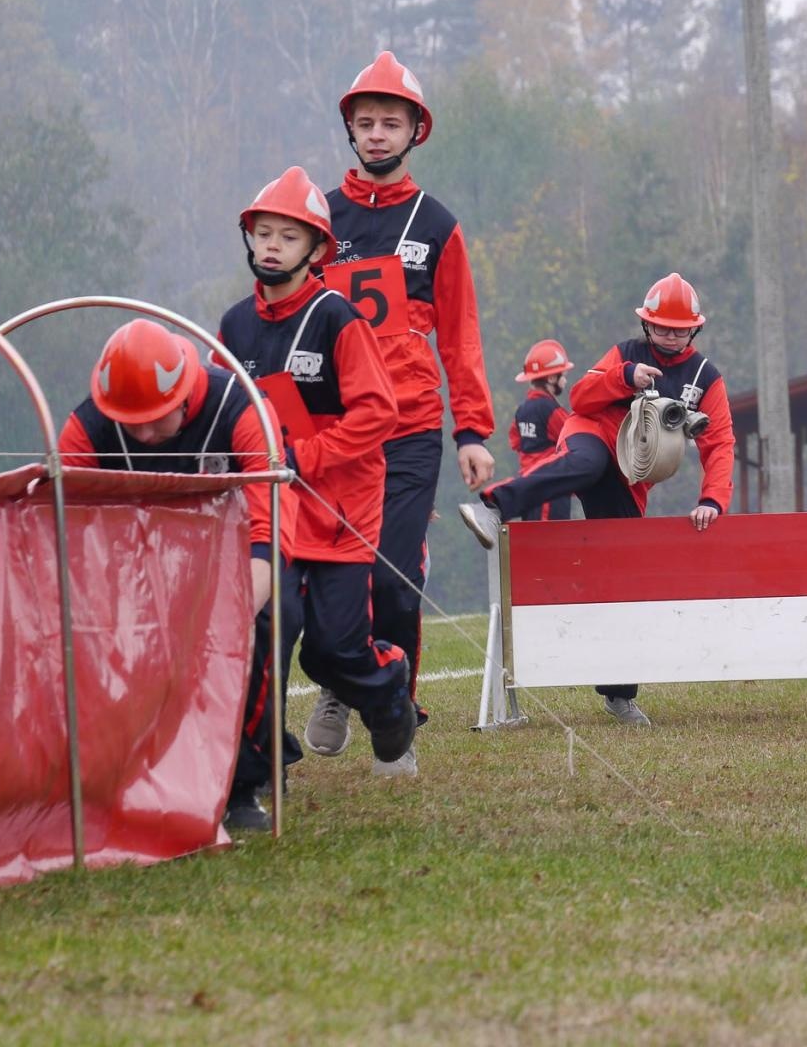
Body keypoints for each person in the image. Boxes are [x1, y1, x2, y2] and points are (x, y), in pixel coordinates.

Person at [314, 50, 497, 774]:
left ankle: (395, 714)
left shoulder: (439, 225)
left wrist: (473, 431)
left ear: (416, 130)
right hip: (331, 433)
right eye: (367, 123)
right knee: (334, 577)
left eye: (392, 122)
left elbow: (461, 334)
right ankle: (338, 682)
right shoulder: (317, 219)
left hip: (412, 429)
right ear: (351, 131)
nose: (379, 134)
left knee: (391, 577)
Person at [58, 319, 301, 833]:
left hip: (236, 563)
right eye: (130, 424)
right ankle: (122, 772)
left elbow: (272, 522)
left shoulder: (240, 406)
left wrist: (233, 611)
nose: (143, 435)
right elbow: (64, 532)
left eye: (155, 420)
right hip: (136, 570)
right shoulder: (87, 427)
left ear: (185, 392)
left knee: (268, 626)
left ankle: (243, 784)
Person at [460, 272, 736, 724]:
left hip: (630, 477)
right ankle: (493, 506)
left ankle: (618, 694)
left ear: (695, 329)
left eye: (679, 327)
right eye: (661, 325)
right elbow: (582, 397)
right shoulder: (626, 353)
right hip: (592, 437)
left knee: (625, 571)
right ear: (646, 325)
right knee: (584, 465)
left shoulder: (706, 377)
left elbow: (720, 442)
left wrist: (712, 499)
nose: (669, 334)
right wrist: (625, 376)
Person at [218, 165, 416, 781]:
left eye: (287, 237)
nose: (271, 246)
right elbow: (222, 412)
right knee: (270, 623)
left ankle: (389, 696)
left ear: (316, 251)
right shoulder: (231, 326)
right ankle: (255, 762)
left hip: (340, 511)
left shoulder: (338, 317)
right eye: (263, 234)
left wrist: (303, 458)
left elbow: (378, 414)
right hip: (271, 509)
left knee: (333, 648)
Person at [506, 338, 576, 520]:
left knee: (532, 542)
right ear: (552, 378)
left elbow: (515, 441)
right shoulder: (551, 409)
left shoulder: (522, 410)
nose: (565, 380)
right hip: (551, 489)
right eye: (563, 375)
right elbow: (573, 438)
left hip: (528, 488)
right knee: (553, 544)